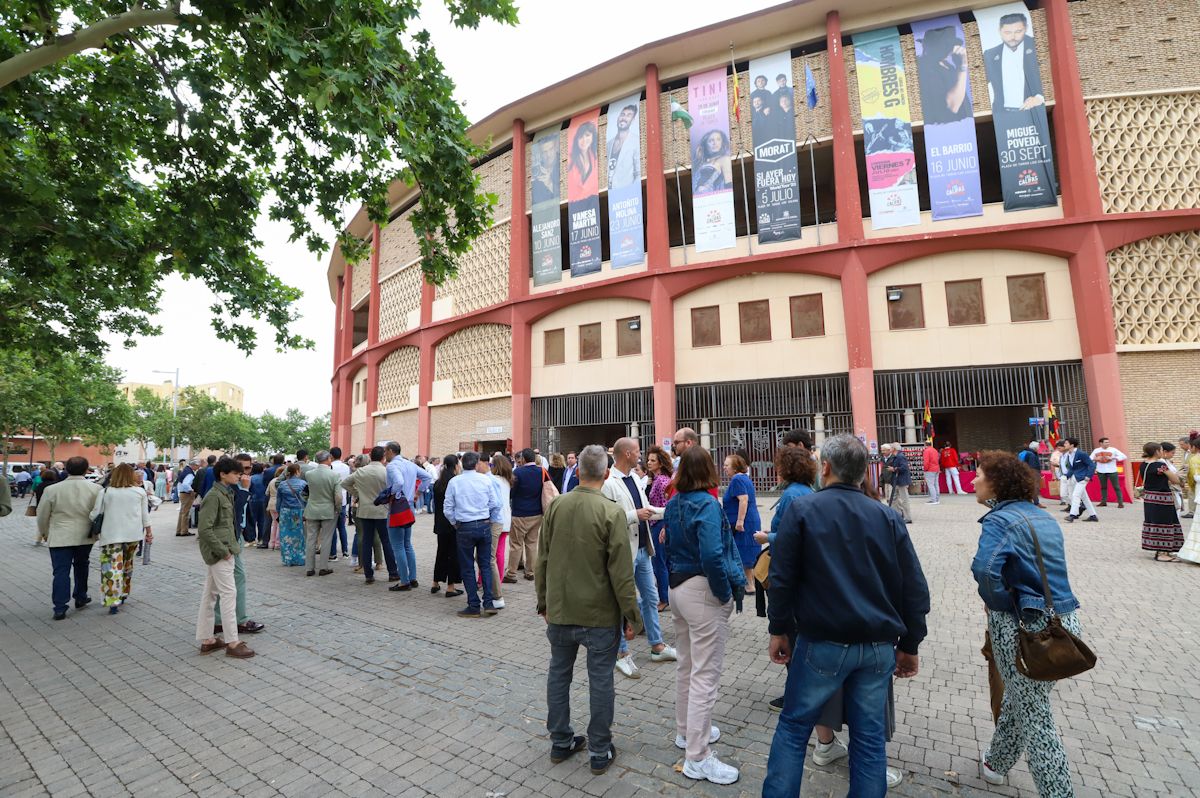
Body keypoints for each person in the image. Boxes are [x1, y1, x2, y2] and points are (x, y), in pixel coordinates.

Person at [762, 435, 930, 798]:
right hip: (876, 647)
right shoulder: (886, 516)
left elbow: (782, 578)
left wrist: (778, 629)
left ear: (825, 468)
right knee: (869, 741)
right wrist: (910, 642)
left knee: (793, 728)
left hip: (823, 642)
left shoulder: (803, 511)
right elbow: (914, 588)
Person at [970, 451, 1080, 794]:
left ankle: (1058, 791)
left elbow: (985, 570)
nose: (973, 480)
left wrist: (999, 605)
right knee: (1025, 699)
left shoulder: (999, 521)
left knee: (1036, 718)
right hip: (1064, 620)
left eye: (979, 475)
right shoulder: (1042, 516)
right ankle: (996, 762)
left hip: (1025, 626)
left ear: (996, 484)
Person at [537, 444, 641, 776]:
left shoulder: (557, 507)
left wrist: (543, 601)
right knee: (600, 681)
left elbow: (542, 559)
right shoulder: (611, 512)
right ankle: (599, 749)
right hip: (599, 615)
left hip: (561, 609)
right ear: (607, 474)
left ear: (578, 471)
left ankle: (560, 740)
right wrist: (631, 617)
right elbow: (621, 574)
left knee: (559, 673)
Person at [663, 446, 745, 784]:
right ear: (708, 469)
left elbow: (668, 543)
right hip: (701, 589)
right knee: (705, 675)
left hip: (678, 588)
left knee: (687, 665)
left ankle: (688, 732)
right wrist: (724, 591)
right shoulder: (707, 504)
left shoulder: (673, 503)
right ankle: (697, 756)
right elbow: (712, 553)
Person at [602, 438, 676, 679]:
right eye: (636, 451)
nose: (640, 455)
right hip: (625, 551)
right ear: (626, 453)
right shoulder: (609, 484)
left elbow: (648, 509)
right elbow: (607, 519)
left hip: (643, 548)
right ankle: (621, 653)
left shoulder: (634, 478)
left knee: (651, 596)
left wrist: (670, 511)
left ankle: (657, 646)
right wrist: (635, 515)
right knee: (621, 601)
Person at [195, 457, 255, 659]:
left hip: (224, 549)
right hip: (220, 552)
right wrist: (224, 550)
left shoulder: (225, 493)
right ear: (223, 473)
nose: (240, 475)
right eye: (237, 473)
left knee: (210, 595)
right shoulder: (214, 495)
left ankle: (208, 639)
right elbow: (204, 528)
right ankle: (232, 642)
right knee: (228, 595)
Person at [36, 456, 103, 620]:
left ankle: (60, 606)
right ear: (86, 469)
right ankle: (80, 596)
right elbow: (99, 513)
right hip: (85, 534)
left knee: (60, 571)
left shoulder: (52, 489)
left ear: (66, 469)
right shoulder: (95, 489)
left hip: (59, 534)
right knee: (82, 565)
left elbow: (42, 514)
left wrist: (44, 532)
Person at [443, 451, 504, 618]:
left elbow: (447, 508)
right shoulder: (485, 480)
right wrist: (489, 519)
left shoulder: (455, 482)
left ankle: (473, 605)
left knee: (467, 567)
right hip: (483, 525)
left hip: (465, 526)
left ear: (462, 463)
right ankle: (489, 602)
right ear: (477, 464)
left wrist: (456, 523)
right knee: (485, 565)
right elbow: (496, 504)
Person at [89, 463, 151, 614]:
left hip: (110, 534)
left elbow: (95, 514)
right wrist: (149, 532)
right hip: (133, 535)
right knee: (127, 564)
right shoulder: (139, 492)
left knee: (111, 567)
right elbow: (145, 516)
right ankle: (124, 592)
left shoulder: (106, 492)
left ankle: (112, 600)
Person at [341, 446, 397, 584]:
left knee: (366, 541)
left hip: (365, 510)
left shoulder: (361, 472)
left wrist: (357, 494)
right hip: (382, 510)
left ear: (371, 456)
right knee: (386, 541)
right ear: (383, 457)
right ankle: (393, 573)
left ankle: (368, 574)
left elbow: (345, 483)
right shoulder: (386, 472)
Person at [384, 441, 431, 590]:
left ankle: (404, 581)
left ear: (391, 451)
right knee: (407, 544)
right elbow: (427, 477)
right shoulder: (410, 464)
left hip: (397, 507)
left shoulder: (392, 466)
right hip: (409, 506)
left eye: (386, 451)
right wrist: (417, 493)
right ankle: (412, 578)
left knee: (398, 546)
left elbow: (398, 482)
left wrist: (391, 495)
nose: (385, 454)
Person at [722, 453, 762, 593]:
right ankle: (748, 583)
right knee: (746, 550)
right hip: (749, 519)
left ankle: (749, 585)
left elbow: (743, 499)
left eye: (727, 465)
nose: (724, 468)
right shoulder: (743, 478)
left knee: (743, 550)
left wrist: (739, 521)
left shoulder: (737, 479)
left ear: (735, 467)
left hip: (743, 522)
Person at [506, 448, 547, 584]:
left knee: (516, 544)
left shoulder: (518, 472)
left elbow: (511, 493)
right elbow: (547, 487)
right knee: (532, 543)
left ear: (523, 459)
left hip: (520, 513)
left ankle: (511, 573)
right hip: (537, 513)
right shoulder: (542, 471)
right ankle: (531, 572)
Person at [916, 24, 971, 124]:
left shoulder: (947, 66)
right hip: (947, 130)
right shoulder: (925, 67)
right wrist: (962, 68)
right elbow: (952, 106)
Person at [1140, 442, 1184, 561]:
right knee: (1165, 523)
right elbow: (1175, 480)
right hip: (1162, 499)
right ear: (1156, 452)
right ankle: (1162, 554)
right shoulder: (1160, 465)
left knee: (1155, 522)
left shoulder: (1143, 464)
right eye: (1160, 450)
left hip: (1149, 498)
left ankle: (1163, 551)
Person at [301, 451, 340, 577]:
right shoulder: (334, 475)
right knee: (326, 539)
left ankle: (309, 567)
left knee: (310, 539)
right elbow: (338, 496)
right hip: (328, 509)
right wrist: (338, 508)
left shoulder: (309, 474)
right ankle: (323, 567)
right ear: (328, 459)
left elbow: (306, 492)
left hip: (312, 508)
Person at [646, 445, 674, 612]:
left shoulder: (662, 481)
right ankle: (667, 595)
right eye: (648, 460)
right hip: (656, 524)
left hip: (660, 524)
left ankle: (664, 598)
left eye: (652, 460)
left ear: (661, 463)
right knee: (663, 562)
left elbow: (666, 506)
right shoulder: (656, 479)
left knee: (659, 563)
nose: (649, 463)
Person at [431, 454, 462, 597]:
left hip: (440, 523)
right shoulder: (455, 482)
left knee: (441, 552)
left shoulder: (438, 482)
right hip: (452, 523)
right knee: (453, 554)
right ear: (456, 465)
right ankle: (450, 587)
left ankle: (435, 582)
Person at [488, 453, 513, 609]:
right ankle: (500, 580)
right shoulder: (508, 480)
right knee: (500, 552)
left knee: (491, 554)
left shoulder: (493, 480)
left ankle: (488, 580)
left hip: (496, 519)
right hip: (506, 519)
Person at [275, 463, 308, 566]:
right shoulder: (303, 484)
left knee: (285, 534)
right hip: (297, 512)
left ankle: (287, 558)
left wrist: (279, 512)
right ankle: (299, 558)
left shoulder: (282, 484)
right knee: (298, 534)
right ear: (297, 471)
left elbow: (278, 501)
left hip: (285, 511)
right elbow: (306, 499)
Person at [1061, 437, 1098, 523]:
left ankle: (1072, 515)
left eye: (1066, 443)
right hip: (1074, 478)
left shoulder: (1081, 454)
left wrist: (1088, 476)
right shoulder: (1068, 455)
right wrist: (1067, 476)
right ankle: (1093, 516)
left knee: (1075, 495)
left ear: (1072, 445)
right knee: (1085, 498)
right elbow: (1072, 468)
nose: (1064, 445)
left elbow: (1091, 465)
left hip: (1082, 478)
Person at [606, 103, 640, 188]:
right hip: (611, 195)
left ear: (633, 120)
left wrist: (632, 192)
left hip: (627, 196)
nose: (624, 118)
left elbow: (638, 173)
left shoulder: (635, 142)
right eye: (622, 114)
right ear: (618, 118)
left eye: (629, 115)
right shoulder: (609, 144)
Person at [1089, 437, 1127, 508]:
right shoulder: (1096, 450)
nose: (1108, 443)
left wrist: (1113, 458)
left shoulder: (1113, 450)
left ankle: (1120, 503)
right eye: (1106, 442)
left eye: (1108, 442)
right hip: (1101, 471)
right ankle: (1103, 502)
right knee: (1103, 487)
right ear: (1101, 443)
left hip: (1112, 470)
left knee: (1116, 487)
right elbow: (1090, 458)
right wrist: (1095, 459)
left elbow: (1124, 456)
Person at [328, 446, 351, 559]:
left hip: (332, 500)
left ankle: (333, 553)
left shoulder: (330, 467)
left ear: (331, 456)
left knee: (332, 528)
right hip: (343, 499)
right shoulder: (346, 467)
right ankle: (345, 550)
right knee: (342, 527)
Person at [691, 129, 732, 194]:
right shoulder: (700, 162)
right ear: (705, 145)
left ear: (722, 142)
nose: (715, 143)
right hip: (698, 197)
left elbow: (729, 183)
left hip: (711, 197)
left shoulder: (725, 159)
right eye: (711, 140)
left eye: (718, 139)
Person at [881, 443, 913, 523]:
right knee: (893, 498)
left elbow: (904, 468)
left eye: (891, 447)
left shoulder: (900, 456)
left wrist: (894, 469)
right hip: (896, 481)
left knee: (904, 499)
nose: (890, 449)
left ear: (894, 449)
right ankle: (898, 515)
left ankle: (908, 518)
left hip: (902, 481)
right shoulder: (896, 456)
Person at [175, 458, 199, 536]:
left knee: (182, 512)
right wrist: (191, 490)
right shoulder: (190, 473)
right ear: (193, 465)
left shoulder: (185, 470)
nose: (197, 467)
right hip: (186, 494)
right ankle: (184, 531)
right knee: (185, 513)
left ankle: (179, 530)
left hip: (182, 493)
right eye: (197, 466)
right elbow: (186, 484)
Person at [248, 462, 268, 548]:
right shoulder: (265, 477)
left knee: (252, 520)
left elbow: (248, 489)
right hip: (263, 500)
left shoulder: (251, 478)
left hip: (253, 500)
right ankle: (261, 538)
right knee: (262, 520)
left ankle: (252, 539)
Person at [1017, 441, 1044, 507]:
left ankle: (1030, 501)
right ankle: (1036, 503)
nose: (1039, 448)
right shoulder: (1032, 454)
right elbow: (1033, 465)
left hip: (1024, 472)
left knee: (1028, 487)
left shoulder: (1024, 453)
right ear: (1035, 447)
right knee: (1035, 487)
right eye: (1038, 447)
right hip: (1033, 473)